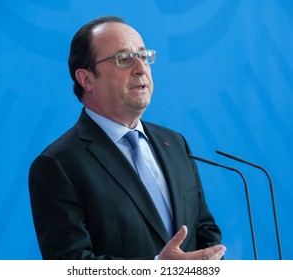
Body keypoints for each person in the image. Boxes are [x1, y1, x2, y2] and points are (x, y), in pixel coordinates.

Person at [28, 16, 226, 260]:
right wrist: (155, 271)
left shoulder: (175, 143)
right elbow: (70, 264)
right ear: (86, 79)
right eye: (123, 59)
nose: (141, 68)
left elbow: (204, 230)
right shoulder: (58, 164)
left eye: (144, 57)